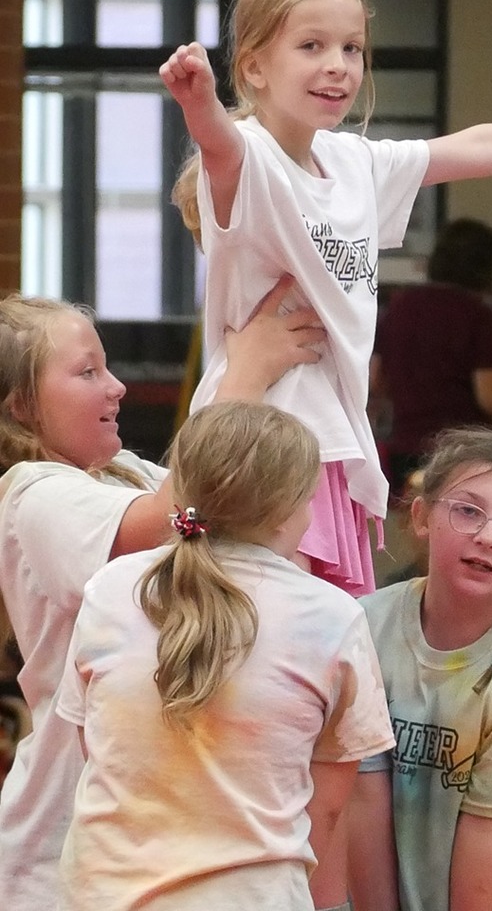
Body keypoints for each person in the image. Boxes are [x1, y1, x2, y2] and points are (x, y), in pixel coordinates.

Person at [160, 0, 492, 598]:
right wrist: (199, 103)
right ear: (254, 66)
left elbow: (474, 148)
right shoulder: (249, 155)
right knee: (271, 638)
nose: (338, 64)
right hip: (258, 437)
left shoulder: (351, 161)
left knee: (328, 642)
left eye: (352, 48)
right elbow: (220, 151)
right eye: (311, 46)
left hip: (333, 442)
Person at [0, 281, 325, 911]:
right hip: (60, 843)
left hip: (153, 827)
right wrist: (247, 370)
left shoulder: (122, 472)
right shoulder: (31, 493)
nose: (116, 386)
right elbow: (178, 513)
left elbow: (210, 489)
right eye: (87, 372)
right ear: (20, 405)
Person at [55, 401, 393, 911]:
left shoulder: (109, 588)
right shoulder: (333, 617)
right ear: (286, 509)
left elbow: (99, 752)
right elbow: (325, 810)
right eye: (309, 501)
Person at [346, 426, 492, 911]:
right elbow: (359, 803)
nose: (486, 537)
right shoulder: (365, 625)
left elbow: (486, 844)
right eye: (467, 511)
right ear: (421, 516)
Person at [373, 217, 492, 492]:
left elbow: (376, 380)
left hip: (406, 445)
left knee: (414, 528)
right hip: (465, 452)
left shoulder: (401, 307)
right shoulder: (478, 316)